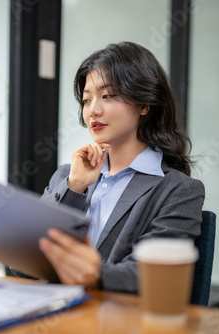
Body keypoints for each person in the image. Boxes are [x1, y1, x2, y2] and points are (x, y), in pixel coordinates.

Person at [38, 41, 205, 293]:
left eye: (108, 96)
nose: (93, 110)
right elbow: (27, 263)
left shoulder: (178, 190)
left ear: (144, 104)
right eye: (86, 100)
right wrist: (74, 188)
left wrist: (91, 275)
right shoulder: (68, 176)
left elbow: (152, 275)